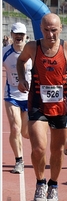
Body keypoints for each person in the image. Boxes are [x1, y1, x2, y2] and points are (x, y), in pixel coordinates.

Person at [17, 13, 67, 201]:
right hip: (38, 103)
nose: (50, 35)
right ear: (41, 29)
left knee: (57, 150)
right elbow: (21, 61)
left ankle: (53, 186)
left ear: (60, 29)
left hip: (61, 105)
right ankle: (40, 183)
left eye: (54, 30)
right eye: (46, 30)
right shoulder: (33, 47)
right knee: (38, 148)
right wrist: (22, 78)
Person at [2, 22, 32, 174]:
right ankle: (19, 161)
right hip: (12, 94)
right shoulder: (5, 52)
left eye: (21, 34)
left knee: (26, 133)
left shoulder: (33, 52)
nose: (19, 36)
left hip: (29, 97)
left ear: (26, 35)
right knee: (15, 129)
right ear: (12, 34)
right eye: (16, 33)